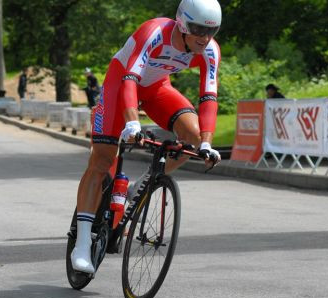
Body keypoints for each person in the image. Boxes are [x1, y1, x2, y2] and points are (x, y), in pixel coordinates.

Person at [71, 0, 223, 273]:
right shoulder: (154, 31)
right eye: (199, 29)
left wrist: (207, 143)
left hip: (156, 89)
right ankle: (82, 243)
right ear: (183, 23)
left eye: (212, 31)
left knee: (194, 137)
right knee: (102, 160)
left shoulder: (209, 50)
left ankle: (140, 187)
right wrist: (132, 124)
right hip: (121, 85)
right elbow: (130, 77)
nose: (205, 38)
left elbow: (209, 96)